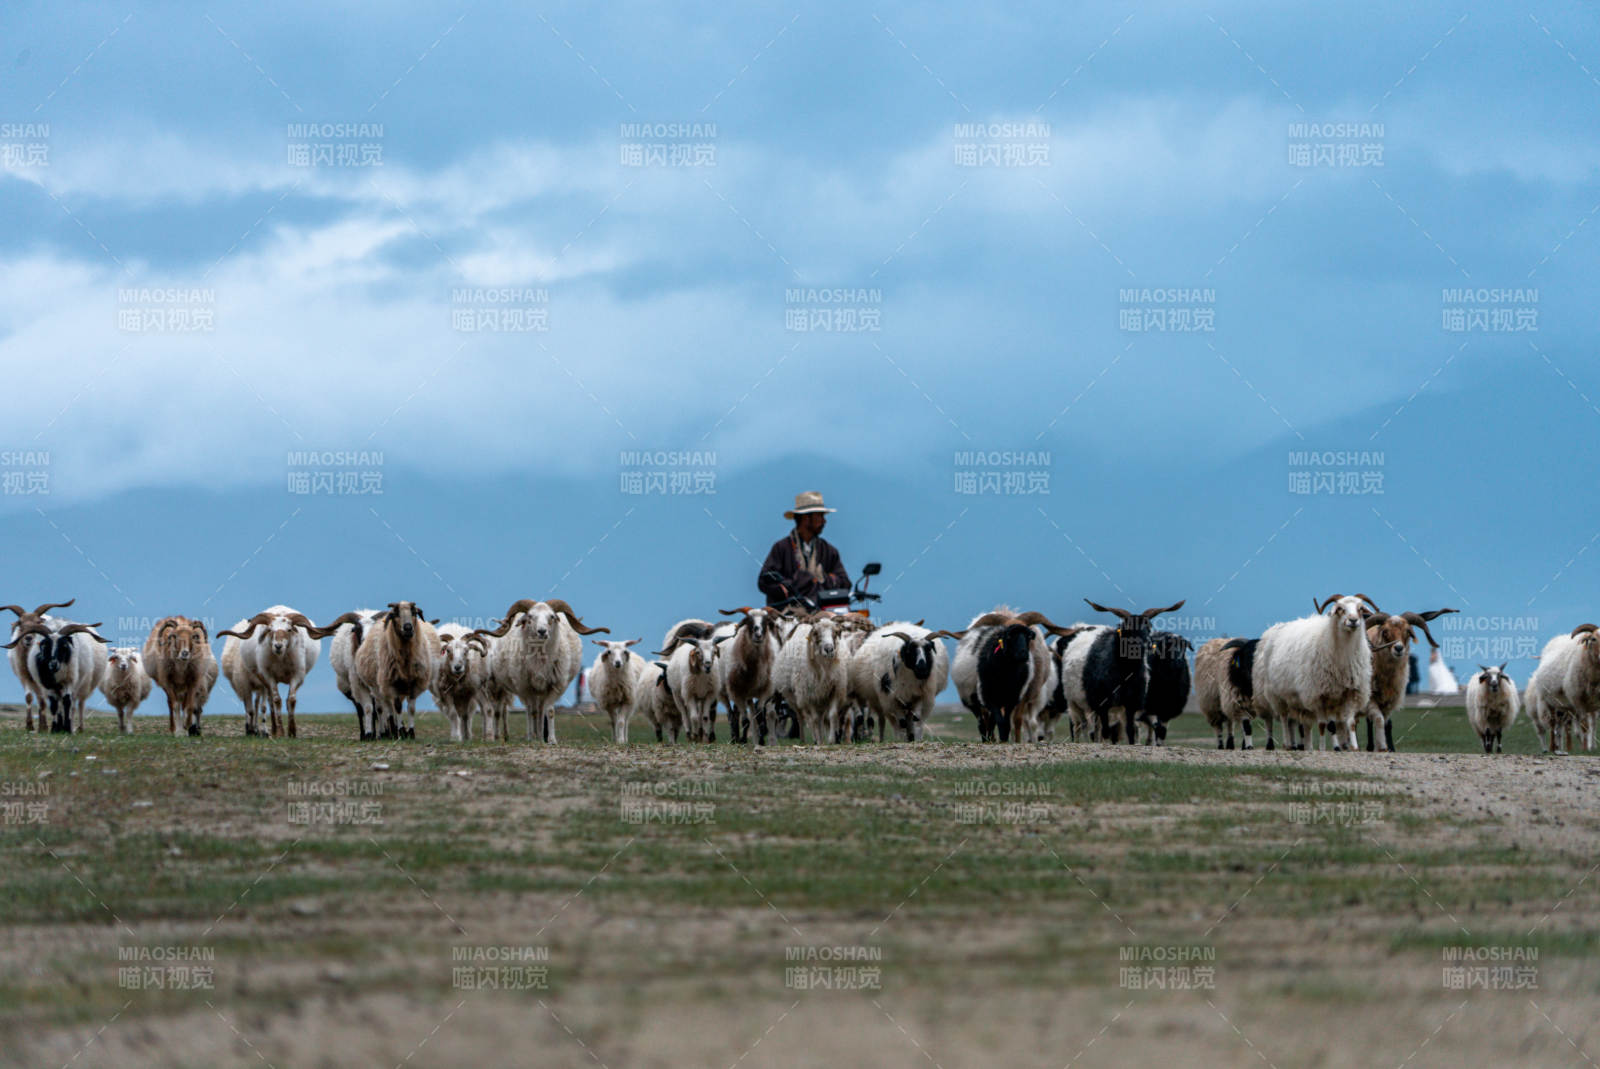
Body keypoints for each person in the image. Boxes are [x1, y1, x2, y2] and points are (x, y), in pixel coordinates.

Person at [758, 491, 848, 608]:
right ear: (806, 518)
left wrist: (825, 579)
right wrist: (801, 580)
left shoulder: (829, 551)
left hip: (822, 614)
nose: (824, 521)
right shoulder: (781, 548)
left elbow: (845, 582)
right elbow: (764, 581)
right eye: (819, 516)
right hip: (787, 615)